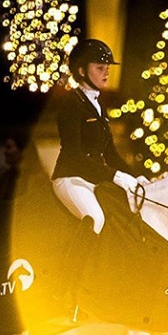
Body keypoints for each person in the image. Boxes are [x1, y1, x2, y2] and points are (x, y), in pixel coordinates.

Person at [50, 38, 142, 316]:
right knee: (96, 218)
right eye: (100, 67)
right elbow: (76, 156)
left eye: (107, 68)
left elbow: (110, 152)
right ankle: (65, 290)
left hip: (91, 179)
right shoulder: (71, 104)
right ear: (81, 71)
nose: (106, 72)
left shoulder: (98, 106)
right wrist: (114, 177)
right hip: (70, 178)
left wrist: (136, 177)